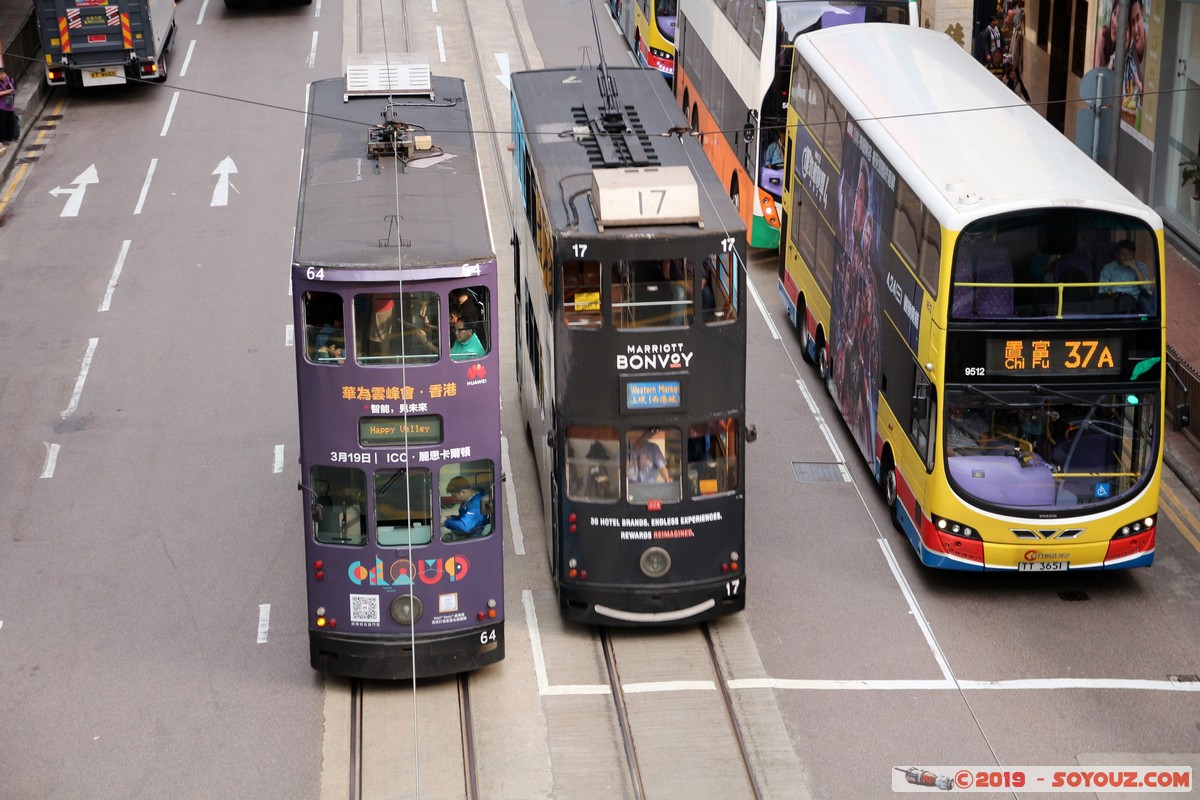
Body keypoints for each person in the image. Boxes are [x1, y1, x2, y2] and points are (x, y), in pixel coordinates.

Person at [1098, 239, 1153, 312]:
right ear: (1117, 254)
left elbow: (1145, 286)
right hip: (1112, 299)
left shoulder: (1140, 266)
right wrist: (1109, 293)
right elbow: (1102, 290)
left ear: (1134, 254)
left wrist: (1135, 269)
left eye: (1129, 254)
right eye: (1123, 254)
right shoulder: (1108, 268)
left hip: (1131, 299)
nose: (1126, 257)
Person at [0, 67, 16, 144]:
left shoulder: (8, 80)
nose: (3, 75)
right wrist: (7, 92)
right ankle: (3, 139)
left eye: (4, 73)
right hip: (2, 107)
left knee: (10, 122)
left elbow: (12, 90)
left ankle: (9, 137)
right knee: (2, 124)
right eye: (1, 74)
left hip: (10, 106)